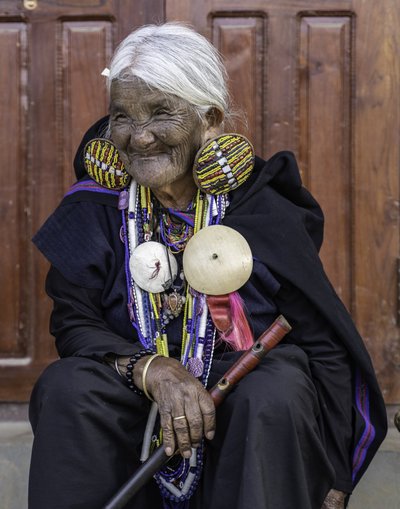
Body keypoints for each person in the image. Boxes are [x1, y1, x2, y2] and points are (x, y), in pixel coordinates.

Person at [29, 22, 387, 509]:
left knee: (276, 392)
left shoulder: (262, 207)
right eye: (122, 117)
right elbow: (75, 323)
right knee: (66, 386)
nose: (139, 137)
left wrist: (337, 475)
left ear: (211, 117)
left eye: (161, 114)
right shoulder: (95, 207)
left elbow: (322, 336)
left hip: (243, 390)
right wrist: (151, 369)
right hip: (134, 384)